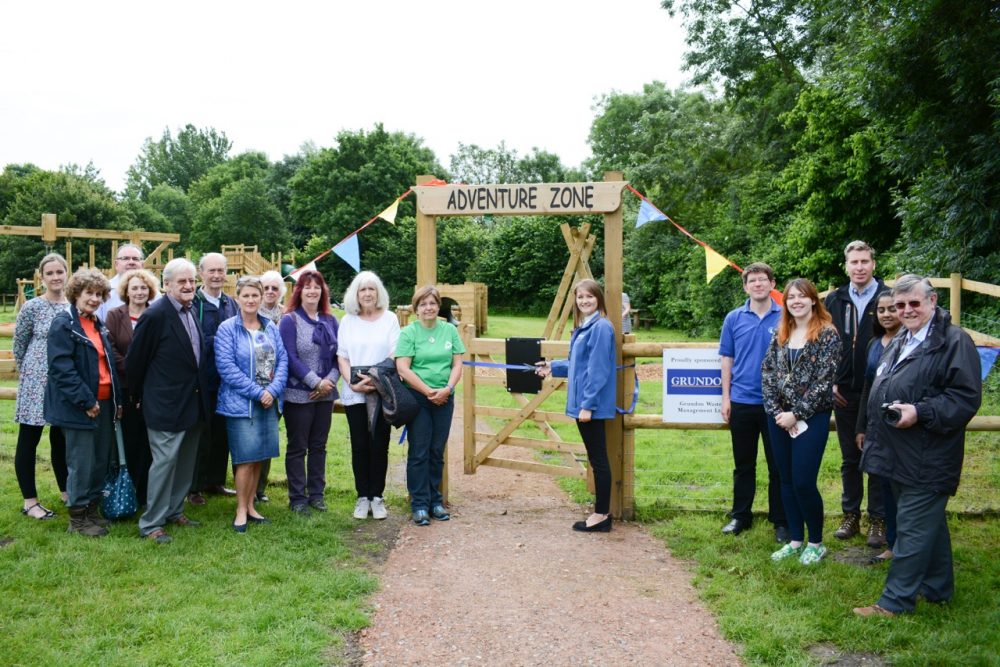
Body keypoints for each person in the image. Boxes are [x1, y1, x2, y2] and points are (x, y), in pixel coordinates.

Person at [853, 275, 982, 617]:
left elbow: (965, 398)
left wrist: (920, 411)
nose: (906, 310)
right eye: (900, 305)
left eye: (914, 303)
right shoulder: (902, 339)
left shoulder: (955, 342)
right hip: (899, 451)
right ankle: (938, 590)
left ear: (932, 301)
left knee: (911, 527)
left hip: (930, 453)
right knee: (930, 524)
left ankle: (894, 603)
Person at [127, 258, 210, 544]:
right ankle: (151, 523)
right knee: (164, 463)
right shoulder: (156, 315)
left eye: (191, 281)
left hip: (193, 404)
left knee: (185, 461)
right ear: (167, 285)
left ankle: (175, 511)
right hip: (165, 405)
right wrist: (138, 397)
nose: (188, 286)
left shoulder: (190, 311)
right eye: (181, 282)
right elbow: (135, 363)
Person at [762, 278, 840, 565]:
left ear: (813, 300)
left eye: (801, 296)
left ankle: (816, 542)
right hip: (778, 418)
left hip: (812, 418)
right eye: (791, 297)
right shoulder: (781, 332)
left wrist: (797, 414)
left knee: (804, 480)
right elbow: (768, 373)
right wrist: (777, 412)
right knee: (786, 480)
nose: (796, 301)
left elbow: (825, 382)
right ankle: (796, 540)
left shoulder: (827, 334)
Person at [44, 268, 122, 537]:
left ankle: (91, 512)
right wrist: (85, 400)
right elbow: (61, 368)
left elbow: (107, 365)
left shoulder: (97, 324)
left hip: (104, 403)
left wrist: (116, 400)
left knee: (100, 461)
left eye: (99, 294)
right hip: (81, 407)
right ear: (76, 293)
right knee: (81, 463)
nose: (95, 298)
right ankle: (77, 520)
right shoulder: (63, 324)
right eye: (89, 293)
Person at [535, 279, 616, 533]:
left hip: (591, 405)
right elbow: (579, 364)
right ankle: (601, 512)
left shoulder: (601, 327)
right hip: (585, 403)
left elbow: (599, 370)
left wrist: (588, 405)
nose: (584, 301)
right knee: (596, 457)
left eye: (589, 297)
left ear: (598, 298)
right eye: (580, 297)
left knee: (599, 459)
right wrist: (553, 367)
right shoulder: (586, 325)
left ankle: (601, 515)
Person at [718, 263, 788, 542]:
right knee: (743, 464)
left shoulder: (786, 317)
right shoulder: (734, 318)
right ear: (745, 286)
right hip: (742, 400)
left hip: (776, 404)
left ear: (773, 284)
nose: (758, 284)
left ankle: (781, 521)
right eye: (752, 281)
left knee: (778, 466)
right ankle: (740, 516)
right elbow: (727, 359)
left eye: (763, 280)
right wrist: (726, 397)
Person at [824, 240, 887, 546]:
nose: (859, 267)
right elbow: (823, 343)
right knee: (851, 457)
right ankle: (850, 515)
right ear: (846, 266)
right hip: (845, 390)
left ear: (873, 264)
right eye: (854, 262)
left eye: (864, 261)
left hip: (881, 388)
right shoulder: (834, 299)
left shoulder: (888, 297)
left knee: (877, 454)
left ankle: (879, 518)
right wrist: (831, 380)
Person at [215, 277, 288, 533]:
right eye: (245, 296)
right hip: (240, 404)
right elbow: (226, 368)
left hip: (267, 402)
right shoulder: (227, 328)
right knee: (245, 459)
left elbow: (282, 362)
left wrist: (273, 390)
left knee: (259, 457)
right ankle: (240, 510)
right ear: (237, 297)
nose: (250, 300)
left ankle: (252, 505)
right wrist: (258, 392)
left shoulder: (271, 328)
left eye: (254, 296)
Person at [396, 285, 465, 527]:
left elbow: (458, 363)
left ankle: (436, 500)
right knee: (419, 451)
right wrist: (427, 391)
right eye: (423, 304)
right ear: (416, 309)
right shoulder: (408, 333)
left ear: (439, 306)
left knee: (437, 450)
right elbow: (403, 368)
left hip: (445, 397)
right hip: (418, 398)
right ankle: (419, 504)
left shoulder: (449, 330)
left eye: (433, 303)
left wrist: (447, 389)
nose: (429, 308)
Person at [337, 271, 400, 520]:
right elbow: (342, 355)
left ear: (378, 293)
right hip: (355, 392)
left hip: (382, 390)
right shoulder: (348, 321)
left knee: (379, 445)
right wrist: (352, 384)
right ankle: (362, 496)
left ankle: (377, 496)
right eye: (362, 290)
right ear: (356, 294)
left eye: (371, 289)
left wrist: (375, 380)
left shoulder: (390, 319)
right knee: (360, 444)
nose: (367, 294)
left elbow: (396, 353)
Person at [13, 253, 70, 520]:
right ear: (42, 277)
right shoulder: (32, 307)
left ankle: (67, 491)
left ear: (66, 273)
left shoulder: (73, 306)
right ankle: (30, 501)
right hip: (36, 380)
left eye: (60, 272)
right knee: (30, 438)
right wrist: (31, 370)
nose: (56, 277)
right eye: (50, 273)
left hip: (63, 381)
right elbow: (20, 344)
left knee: (61, 438)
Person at [279, 269, 339, 515]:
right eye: (307, 287)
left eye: (317, 287)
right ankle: (297, 497)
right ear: (299, 291)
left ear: (322, 291)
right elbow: (290, 357)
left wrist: (328, 382)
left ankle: (316, 494)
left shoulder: (330, 320)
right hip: (298, 394)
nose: (312, 291)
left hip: (326, 395)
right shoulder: (290, 320)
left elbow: (339, 356)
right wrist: (315, 382)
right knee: (297, 446)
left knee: (319, 446)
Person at [855, 290, 902, 564]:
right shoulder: (874, 344)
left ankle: (907, 546)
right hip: (876, 428)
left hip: (902, 426)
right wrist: (861, 427)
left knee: (901, 489)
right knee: (884, 484)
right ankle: (892, 544)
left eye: (891, 309)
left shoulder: (909, 342)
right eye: (881, 310)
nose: (886, 314)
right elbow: (867, 388)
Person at [105, 268, 158, 505]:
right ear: (126, 291)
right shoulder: (116, 315)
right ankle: (129, 489)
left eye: (143, 288)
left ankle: (148, 493)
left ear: (150, 291)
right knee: (129, 439)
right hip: (126, 388)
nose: (139, 292)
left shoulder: (156, 315)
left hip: (152, 388)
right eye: (135, 287)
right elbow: (111, 348)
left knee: (150, 442)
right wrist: (132, 366)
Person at [190, 252, 238, 504]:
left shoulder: (231, 304)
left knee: (223, 432)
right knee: (201, 433)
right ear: (201, 273)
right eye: (212, 271)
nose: (217, 275)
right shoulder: (193, 301)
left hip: (227, 381)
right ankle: (194, 486)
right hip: (201, 380)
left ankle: (215, 481)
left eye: (221, 270)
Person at [254, 269, 287, 503]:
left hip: (278, 386)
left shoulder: (287, 316)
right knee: (248, 439)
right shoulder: (250, 314)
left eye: (275, 288)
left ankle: (259, 489)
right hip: (253, 385)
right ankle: (244, 487)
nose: (270, 292)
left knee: (268, 437)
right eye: (266, 288)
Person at [96, 243, 146, 321]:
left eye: (135, 259)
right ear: (116, 264)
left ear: (142, 265)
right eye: (125, 258)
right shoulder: (103, 290)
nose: (131, 262)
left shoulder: (154, 294)